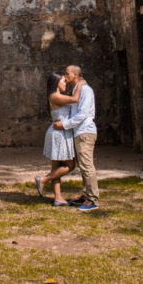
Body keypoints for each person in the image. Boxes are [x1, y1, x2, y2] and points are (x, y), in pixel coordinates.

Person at [54, 65, 98, 211]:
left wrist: (65, 124)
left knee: (86, 165)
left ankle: (92, 199)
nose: (65, 76)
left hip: (85, 131)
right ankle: (86, 196)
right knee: (83, 165)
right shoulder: (76, 90)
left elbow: (83, 114)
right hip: (79, 132)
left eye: (67, 74)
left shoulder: (85, 90)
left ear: (75, 75)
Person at [35, 72, 83, 206]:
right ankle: (43, 180)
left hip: (58, 132)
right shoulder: (55, 96)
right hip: (59, 134)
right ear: (56, 83)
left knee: (56, 168)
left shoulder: (58, 96)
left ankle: (58, 198)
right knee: (70, 165)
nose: (65, 83)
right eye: (63, 81)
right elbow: (75, 99)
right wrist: (80, 83)